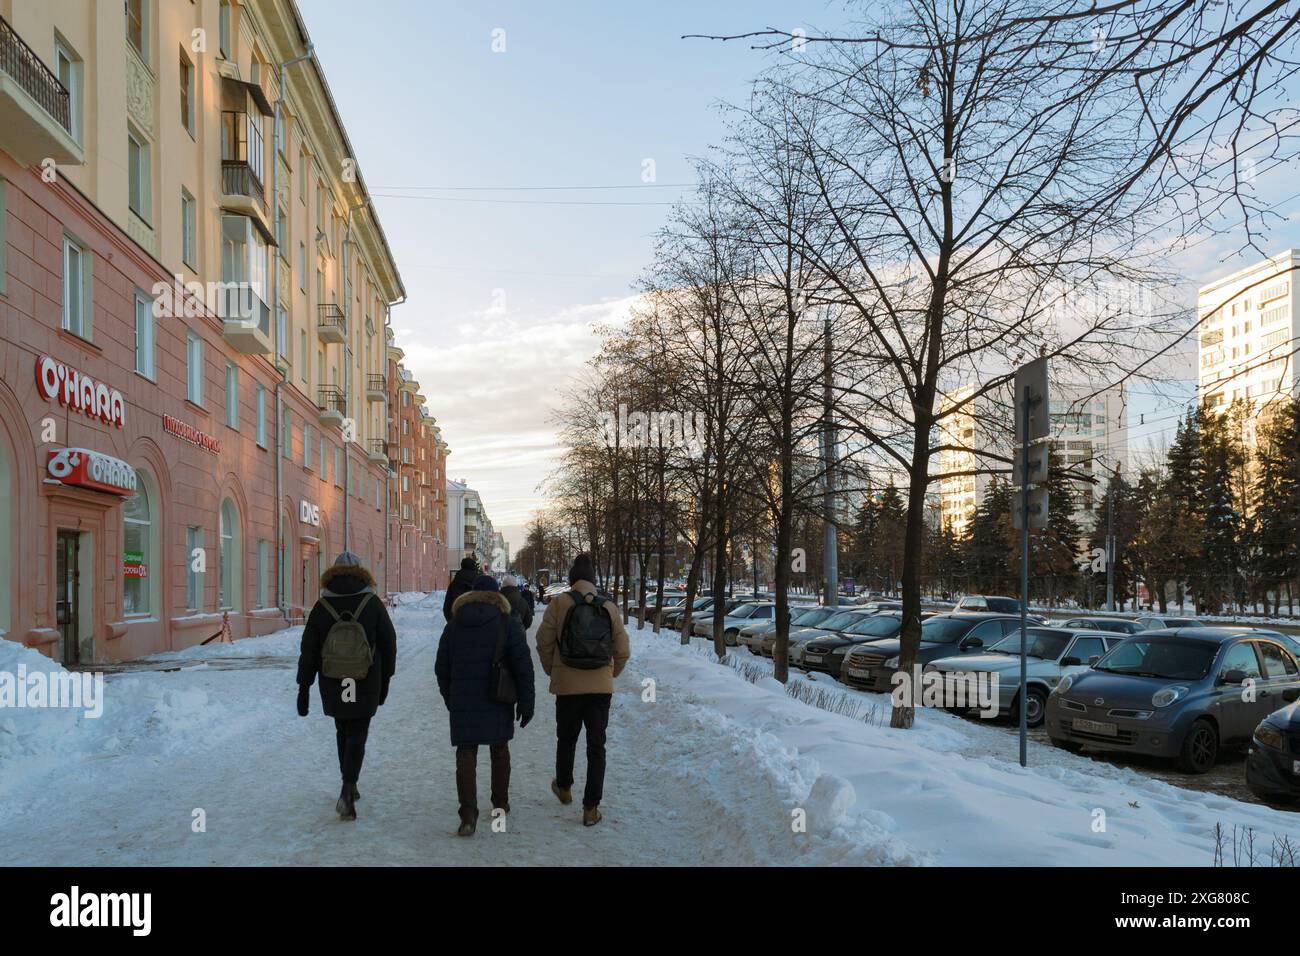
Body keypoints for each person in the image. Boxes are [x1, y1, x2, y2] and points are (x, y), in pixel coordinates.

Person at [296, 551, 397, 821]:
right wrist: (386, 679)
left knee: (343, 728)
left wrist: (304, 686)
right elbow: (388, 643)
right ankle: (348, 786)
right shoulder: (372, 603)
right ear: (362, 574)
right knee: (358, 730)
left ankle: (348, 782)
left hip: (334, 678)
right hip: (364, 678)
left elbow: (309, 649)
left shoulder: (322, 606)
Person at [435, 574, 535, 836]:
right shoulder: (508, 623)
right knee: (499, 750)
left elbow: (441, 667)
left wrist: (450, 697)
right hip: (498, 697)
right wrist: (527, 701)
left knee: (466, 753)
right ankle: (500, 805)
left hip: (463, 700)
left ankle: (468, 815)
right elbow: (523, 666)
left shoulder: (455, 625)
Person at [534, 553, 630, 827]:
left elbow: (543, 642)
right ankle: (591, 808)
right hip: (600, 688)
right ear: (592, 580)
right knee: (596, 746)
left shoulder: (559, 603)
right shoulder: (609, 607)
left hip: (568, 687)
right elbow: (623, 650)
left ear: (572, 579)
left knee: (567, 739)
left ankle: (563, 787)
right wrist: (609, 674)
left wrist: (554, 670)